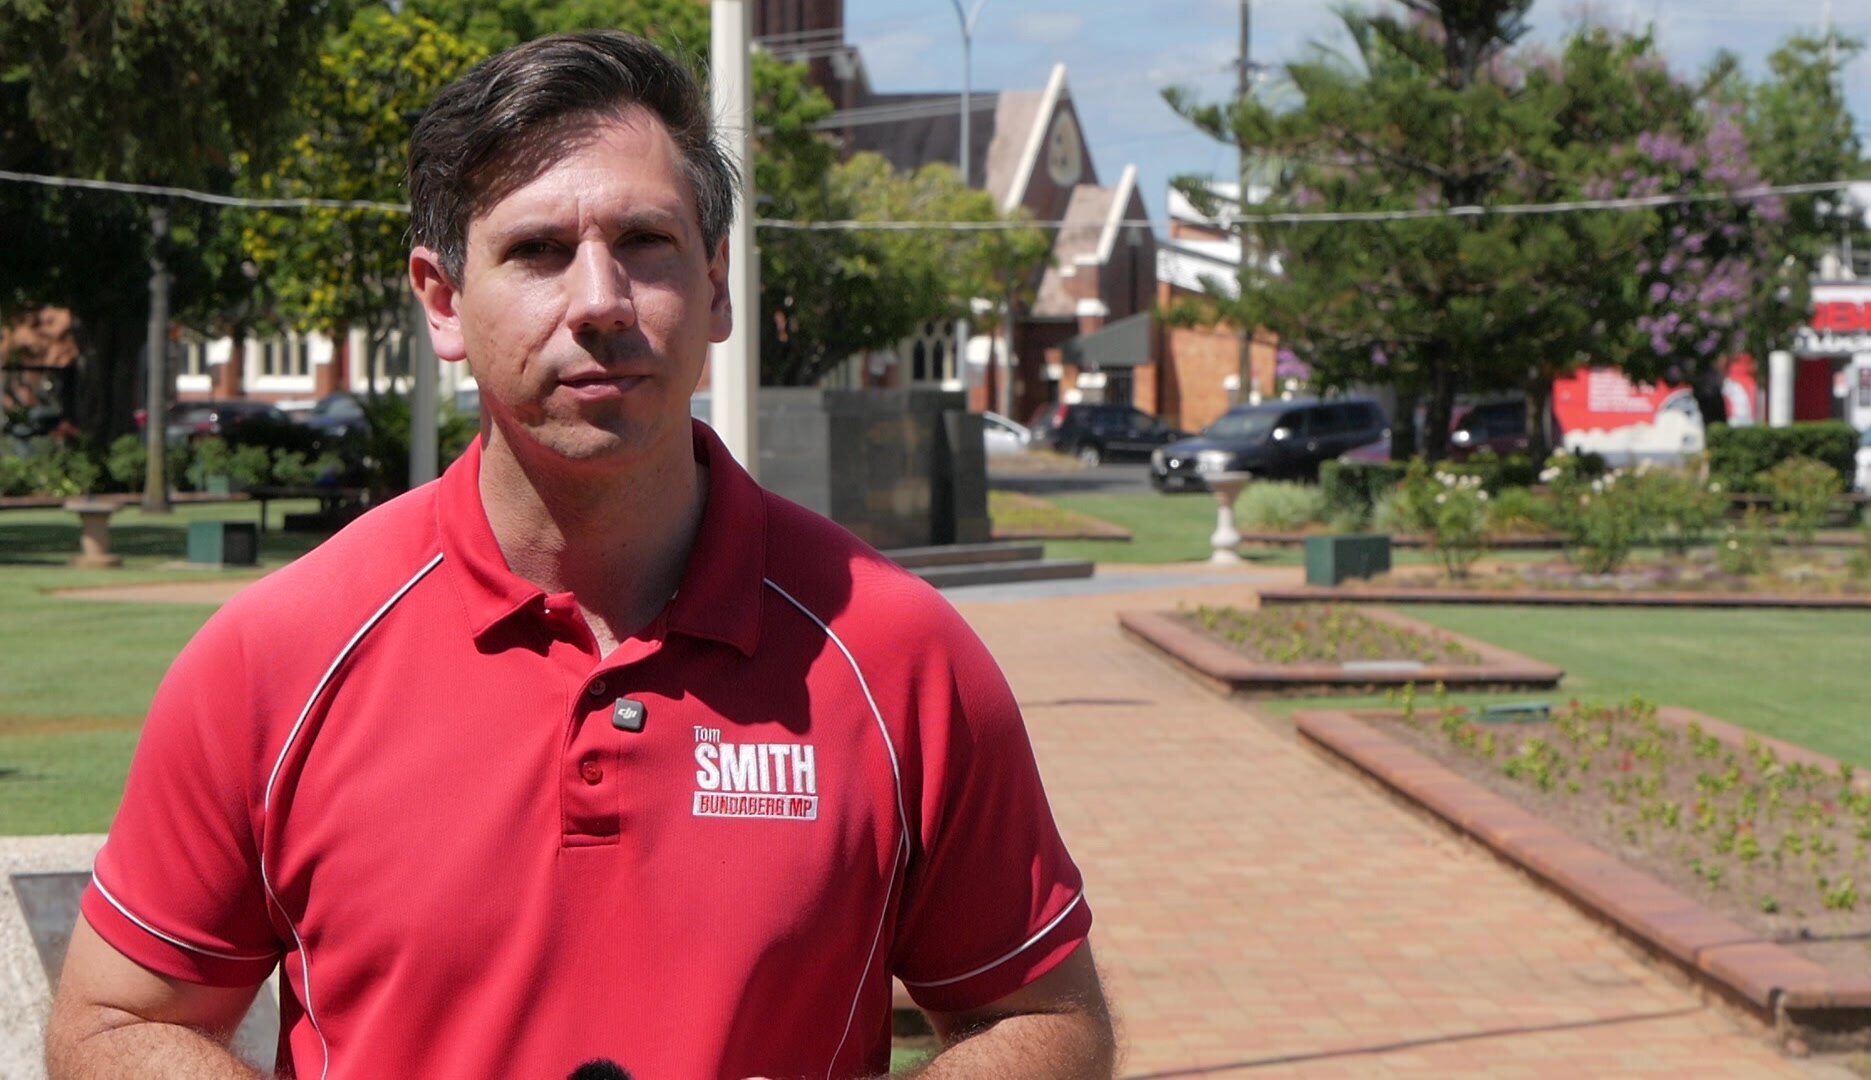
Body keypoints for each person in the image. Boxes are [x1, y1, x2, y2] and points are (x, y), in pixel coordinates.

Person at [45, 29, 1111, 1079]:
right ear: (443, 300)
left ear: (718, 285)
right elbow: (113, 1026)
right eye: (538, 251)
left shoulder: (900, 656)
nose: (600, 300)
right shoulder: (276, 660)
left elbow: (1046, 1016)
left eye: (645, 243)